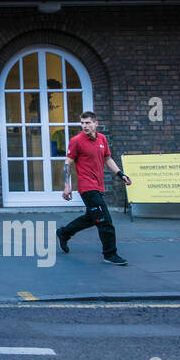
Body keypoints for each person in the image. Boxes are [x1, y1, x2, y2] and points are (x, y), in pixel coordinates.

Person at [57, 111, 131, 265]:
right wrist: (66, 185)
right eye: (82, 123)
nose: (85, 126)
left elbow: (108, 158)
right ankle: (110, 254)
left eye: (88, 123)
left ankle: (64, 233)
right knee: (105, 221)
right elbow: (67, 163)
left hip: (98, 185)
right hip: (87, 187)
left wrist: (120, 174)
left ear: (96, 124)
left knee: (91, 218)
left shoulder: (102, 139)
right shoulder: (76, 141)